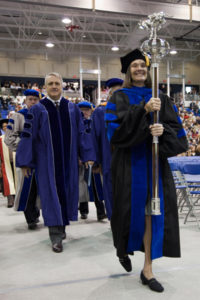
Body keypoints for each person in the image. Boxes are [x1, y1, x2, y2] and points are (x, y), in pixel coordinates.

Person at [105, 49, 188, 293]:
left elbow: (179, 136)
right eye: (134, 66)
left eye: (143, 65)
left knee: (153, 214)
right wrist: (142, 110)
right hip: (129, 167)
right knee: (129, 214)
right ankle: (123, 249)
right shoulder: (118, 97)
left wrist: (163, 132)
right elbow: (115, 134)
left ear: (149, 69)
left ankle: (148, 269)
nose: (139, 68)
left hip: (155, 167)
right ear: (128, 71)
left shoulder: (161, 97)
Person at [16, 72, 95, 253]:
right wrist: (26, 161)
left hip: (69, 162)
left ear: (62, 86)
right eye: (50, 84)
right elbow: (28, 137)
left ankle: (61, 227)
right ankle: (55, 235)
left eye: (56, 84)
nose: (53, 86)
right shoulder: (37, 109)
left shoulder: (72, 109)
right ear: (45, 87)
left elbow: (81, 133)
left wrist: (87, 154)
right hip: (47, 164)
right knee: (51, 195)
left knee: (67, 194)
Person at [5, 89, 40, 229]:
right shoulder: (18, 116)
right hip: (26, 158)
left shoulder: (42, 116)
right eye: (30, 99)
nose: (32, 102)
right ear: (25, 101)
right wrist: (25, 144)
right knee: (27, 188)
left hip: (41, 159)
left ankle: (36, 214)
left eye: (35, 99)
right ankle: (30, 218)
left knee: (39, 188)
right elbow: (9, 138)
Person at [91, 78, 123, 220]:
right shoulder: (100, 112)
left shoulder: (131, 111)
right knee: (110, 190)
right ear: (109, 94)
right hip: (108, 158)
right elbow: (95, 138)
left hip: (129, 159)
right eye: (114, 92)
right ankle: (114, 220)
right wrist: (97, 162)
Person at [77, 101, 107, 221]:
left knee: (96, 186)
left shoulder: (95, 124)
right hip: (80, 160)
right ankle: (83, 210)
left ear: (91, 111)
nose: (84, 112)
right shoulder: (75, 125)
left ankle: (101, 212)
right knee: (82, 185)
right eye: (82, 110)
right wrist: (78, 158)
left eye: (86, 110)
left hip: (93, 159)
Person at [0, 119, 15, 208]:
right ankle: (10, 200)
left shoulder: (16, 136)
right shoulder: (1, 139)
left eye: (7, 126)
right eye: (4, 127)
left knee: (18, 181)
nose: (6, 128)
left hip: (16, 163)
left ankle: (17, 199)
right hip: (5, 164)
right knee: (8, 182)